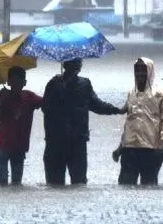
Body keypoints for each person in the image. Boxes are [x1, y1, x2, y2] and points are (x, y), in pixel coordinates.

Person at [40, 58, 123, 186]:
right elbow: (45, 108)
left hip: (77, 142)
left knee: (78, 184)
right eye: (74, 63)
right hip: (56, 143)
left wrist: (116, 110)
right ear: (65, 65)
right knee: (54, 184)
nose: (77, 65)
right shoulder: (53, 84)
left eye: (78, 62)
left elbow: (97, 105)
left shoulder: (84, 84)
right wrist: (60, 92)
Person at [111, 57, 163, 186]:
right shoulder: (131, 93)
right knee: (125, 186)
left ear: (150, 72)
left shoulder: (160, 92)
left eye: (143, 70)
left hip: (151, 149)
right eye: (137, 70)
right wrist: (120, 148)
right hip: (129, 149)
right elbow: (129, 123)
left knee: (149, 187)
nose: (139, 74)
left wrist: (161, 145)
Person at [0, 67, 42, 187]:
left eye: (19, 81)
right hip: (2, 145)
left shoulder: (29, 97)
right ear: (8, 82)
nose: (16, 85)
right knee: (2, 183)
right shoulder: (2, 94)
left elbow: (48, 103)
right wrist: (2, 101)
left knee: (17, 184)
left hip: (19, 146)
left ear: (24, 83)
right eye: (13, 81)